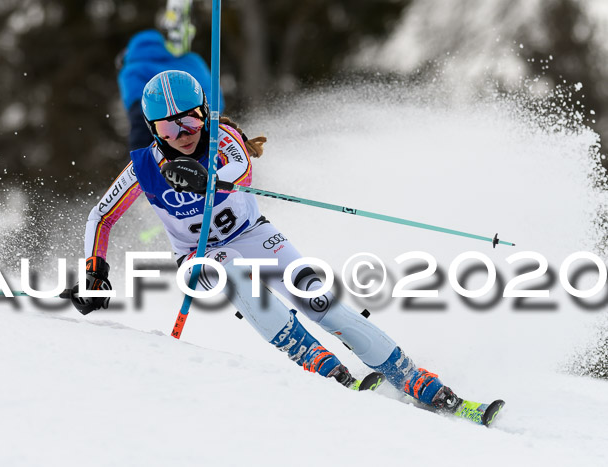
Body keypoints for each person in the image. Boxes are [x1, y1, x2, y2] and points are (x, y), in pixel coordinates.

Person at [71, 70, 463, 411]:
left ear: (205, 114)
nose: (182, 136)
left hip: (254, 234)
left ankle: (410, 376)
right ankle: (316, 360)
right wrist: (95, 272)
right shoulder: (144, 166)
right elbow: (101, 216)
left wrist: (208, 180)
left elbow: (240, 168)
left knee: (320, 299)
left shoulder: (223, 138)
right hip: (199, 255)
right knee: (235, 276)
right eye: (167, 129)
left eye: (189, 122)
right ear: (153, 130)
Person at [116, 0, 225, 151]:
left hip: (172, 132)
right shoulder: (192, 59)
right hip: (206, 120)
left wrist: (139, 157)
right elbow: (215, 93)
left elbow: (139, 118)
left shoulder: (130, 71)